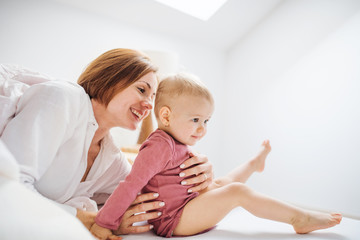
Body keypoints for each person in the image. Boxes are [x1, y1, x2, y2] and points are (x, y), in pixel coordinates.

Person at [90, 73, 342, 239]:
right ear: (166, 116)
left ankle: (253, 164)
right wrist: (104, 223)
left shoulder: (177, 142)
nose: (203, 128)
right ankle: (299, 218)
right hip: (174, 220)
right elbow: (130, 185)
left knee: (221, 184)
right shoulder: (158, 147)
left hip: (188, 203)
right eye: (196, 120)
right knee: (236, 193)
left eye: (207, 120)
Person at [0, 49, 213, 236]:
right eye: (142, 90)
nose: (149, 105)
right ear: (112, 78)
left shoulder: (111, 158)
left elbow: (151, 192)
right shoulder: (62, 98)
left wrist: (195, 171)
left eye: (153, 97)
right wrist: (86, 219)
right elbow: (8, 184)